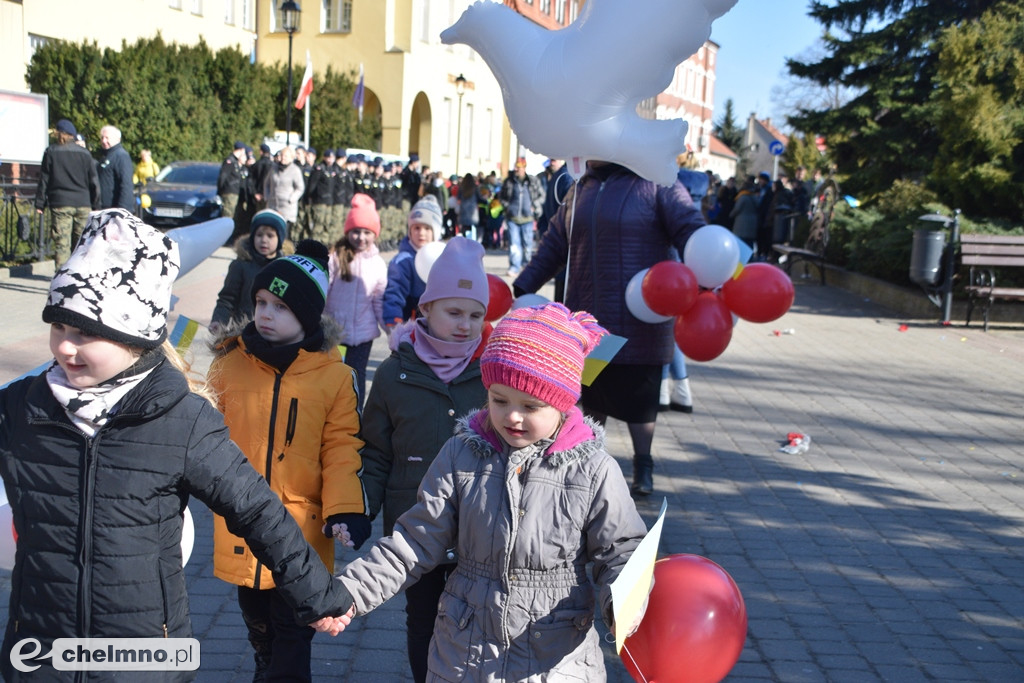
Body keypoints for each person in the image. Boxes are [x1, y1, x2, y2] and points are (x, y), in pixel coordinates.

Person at [0, 209, 352, 679]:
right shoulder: (21, 408)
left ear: (134, 336)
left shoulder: (179, 418)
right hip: (41, 650)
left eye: (85, 333)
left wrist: (317, 593)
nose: (65, 347)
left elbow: (256, 509)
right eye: (59, 327)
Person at [334, 302, 650, 680]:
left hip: (554, 660)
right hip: (464, 654)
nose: (512, 416)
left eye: (530, 405)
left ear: (563, 403)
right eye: (499, 400)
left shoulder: (592, 469)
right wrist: (351, 592)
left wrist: (623, 603)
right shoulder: (461, 453)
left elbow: (621, 551)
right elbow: (415, 540)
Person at [208, 238, 369, 682]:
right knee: (258, 622)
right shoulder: (228, 365)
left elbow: (343, 449)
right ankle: (265, 661)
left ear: (306, 315)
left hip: (302, 531)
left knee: (294, 634)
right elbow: (203, 434)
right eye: (261, 301)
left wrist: (346, 507)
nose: (265, 313)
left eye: (280, 306)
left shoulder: (335, 378)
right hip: (242, 524)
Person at [514, 161, 704, 496]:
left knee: (639, 397)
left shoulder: (656, 180)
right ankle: (588, 464)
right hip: (590, 318)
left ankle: (642, 465)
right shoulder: (580, 188)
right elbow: (555, 243)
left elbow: (689, 227)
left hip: (641, 315)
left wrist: (708, 271)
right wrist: (523, 285)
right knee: (592, 396)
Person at [359, 236, 490, 682]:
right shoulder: (395, 373)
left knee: (474, 618)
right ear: (426, 309)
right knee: (424, 620)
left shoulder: (492, 374)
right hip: (413, 525)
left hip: (479, 525)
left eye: (476, 315)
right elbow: (375, 449)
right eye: (454, 312)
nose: (465, 325)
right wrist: (360, 506)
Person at [326, 194, 388, 408]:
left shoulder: (378, 264)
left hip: (363, 334)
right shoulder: (335, 258)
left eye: (367, 232)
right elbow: (323, 290)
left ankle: (355, 417)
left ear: (375, 234)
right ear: (347, 231)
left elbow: (379, 300)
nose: (361, 237)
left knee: (356, 377)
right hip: (335, 332)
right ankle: (331, 414)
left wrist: (390, 329)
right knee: (334, 375)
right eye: (356, 231)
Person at [209, 208, 292, 335]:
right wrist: (219, 321)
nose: (264, 240)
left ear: (280, 239)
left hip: (275, 333)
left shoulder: (286, 268)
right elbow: (227, 299)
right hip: (244, 332)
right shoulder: (241, 265)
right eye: (259, 235)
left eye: (270, 235)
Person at [34, 118, 100, 266]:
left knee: (62, 245)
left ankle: (61, 283)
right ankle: (79, 279)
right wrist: (96, 205)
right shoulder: (85, 154)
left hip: (60, 203)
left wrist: (40, 203)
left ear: (59, 134)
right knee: (82, 245)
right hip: (83, 203)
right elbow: (94, 182)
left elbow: (44, 180)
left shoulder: (51, 152)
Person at [382, 195, 443, 329]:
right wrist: (394, 321)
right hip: (410, 325)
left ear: (436, 231)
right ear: (409, 231)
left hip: (439, 324)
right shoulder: (403, 260)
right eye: (416, 228)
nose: (421, 233)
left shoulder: (444, 256)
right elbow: (394, 292)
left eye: (427, 228)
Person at [499, 158, 545, 277]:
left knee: (527, 244)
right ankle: (514, 267)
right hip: (512, 217)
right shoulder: (509, 182)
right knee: (514, 244)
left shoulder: (533, 181)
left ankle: (526, 267)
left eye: (519, 167)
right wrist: (507, 206)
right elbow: (502, 197)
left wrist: (535, 206)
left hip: (528, 218)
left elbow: (542, 195)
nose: (517, 170)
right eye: (516, 167)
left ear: (524, 168)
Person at [264, 145, 306, 234]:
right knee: (271, 231)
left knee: (283, 232)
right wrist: (267, 196)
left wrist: (292, 198)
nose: (283, 158)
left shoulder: (295, 170)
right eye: (282, 155)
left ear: (291, 157)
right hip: (273, 204)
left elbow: (300, 188)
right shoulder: (273, 168)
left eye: (286, 156)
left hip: (287, 207)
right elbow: (266, 183)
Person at [97, 125, 135, 211]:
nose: (104, 141)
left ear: (117, 139)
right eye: (102, 138)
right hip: (104, 208)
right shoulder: (105, 156)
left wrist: (122, 210)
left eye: (107, 138)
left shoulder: (121, 156)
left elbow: (126, 184)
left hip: (114, 209)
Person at [218, 141, 249, 229]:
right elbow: (223, 177)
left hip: (235, 192)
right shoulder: (230, 161)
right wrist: (221, 191)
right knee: (228, 216)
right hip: (230, 192)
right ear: (241, 150)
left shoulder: (236, 162)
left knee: (234, 216)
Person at [730, 176, 759, 249]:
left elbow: (737, 209)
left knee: (740, 244)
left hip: (741, 223)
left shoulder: (743, 197)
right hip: (752, 223)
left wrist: (731, 215)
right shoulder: (755, 197)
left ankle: (741, 259)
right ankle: (750, 258)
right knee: (749, 244)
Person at [455, 173, 480, 241]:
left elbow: (458, 198)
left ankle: (465, 241)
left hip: (463, 209)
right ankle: (471, 242)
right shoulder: (475, 188)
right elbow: (479, 198)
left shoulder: (461, 188)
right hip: (472, 210)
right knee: (472, 229)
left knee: (464, 228)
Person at [250, 142, 275, 211]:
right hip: (269, 195)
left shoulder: (255, 165)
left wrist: (255, 193)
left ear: (261, 152)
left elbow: (251, 181)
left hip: (258, 195)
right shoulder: (273, 166)